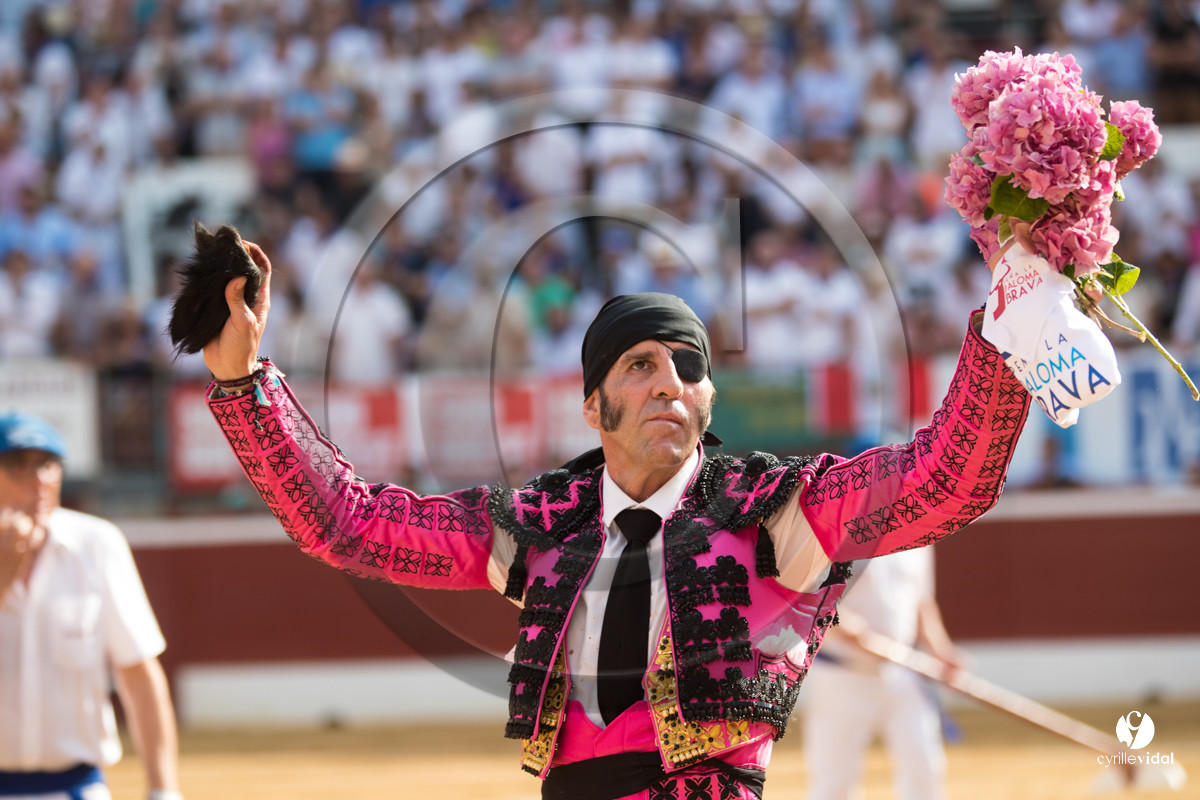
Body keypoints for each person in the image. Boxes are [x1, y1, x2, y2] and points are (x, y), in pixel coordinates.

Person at [200, 241, 1031, 800]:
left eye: (689, 367)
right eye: (641, 366)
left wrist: (1009, 317)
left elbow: (947, 478)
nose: (670, 383)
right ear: (593, 405)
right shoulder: (544, 526)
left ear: (710, 398)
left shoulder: (776, 514)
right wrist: (244, 386)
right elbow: (348, 524)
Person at [0, 413, 183, 800]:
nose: (39, 480)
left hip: (77, 787)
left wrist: (163, 790)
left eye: (47, 464)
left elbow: (138, 673)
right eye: (18, 465)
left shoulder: (97, 544)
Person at [802, 547, 963, 800]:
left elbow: (922, 602)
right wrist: (841, 622)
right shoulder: (838, 528)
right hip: (840, 673)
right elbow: (808, 590)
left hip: (903, 672)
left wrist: (941, 651)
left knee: (924, 764)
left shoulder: (923, 535)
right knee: (836, 778)